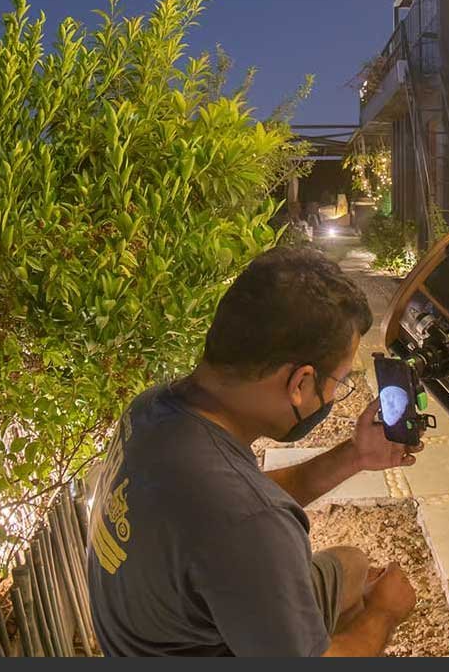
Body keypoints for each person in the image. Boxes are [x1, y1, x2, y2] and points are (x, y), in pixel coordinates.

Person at [87, 246, 420, 657]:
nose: (335, 394)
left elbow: (235, 509)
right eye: (338, 381)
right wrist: (384, 614)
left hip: (150, 629)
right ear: (299, 383)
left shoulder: (153, 410)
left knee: (350, 565)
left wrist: (355, 455)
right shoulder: (250, 526)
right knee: (371, 603)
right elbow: (245, 517)